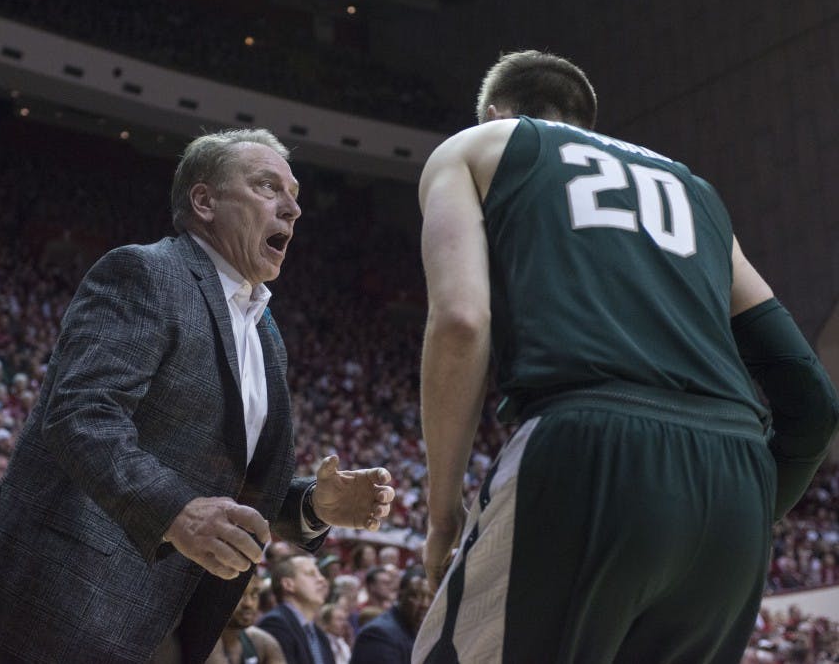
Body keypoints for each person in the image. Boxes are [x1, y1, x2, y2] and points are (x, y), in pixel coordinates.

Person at [412, 50, 839, 663]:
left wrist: (442, 516)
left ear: (496, 112)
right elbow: (813, 402)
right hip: (735, 485)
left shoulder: (478, 145)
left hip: (593, 445)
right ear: (584, 120)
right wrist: (740, 510)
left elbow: (460, 321)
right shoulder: (698, 193)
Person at [0, 128, 395, 664]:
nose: (292, 210)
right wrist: (178, 514)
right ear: (204, 201)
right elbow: (81, 415)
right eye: (268, 188)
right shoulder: (146, 272)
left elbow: (219, 485)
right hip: (65, 602)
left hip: (166, 620)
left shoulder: (264, 328)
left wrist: (312, 504)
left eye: (295, 195)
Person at [258, 555, 334, 664]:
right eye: (311, 574)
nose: (321, 579)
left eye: (320, 574)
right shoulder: (275, 624)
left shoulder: (320, 635)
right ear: (288, 584)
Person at [350, 566, 431, 664]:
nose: (425, 604)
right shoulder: (378, 634)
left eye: (431, 597)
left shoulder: (422, 631)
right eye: (416, 596)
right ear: (399, 596)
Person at [205, 574, 285, 664]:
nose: (248, 603)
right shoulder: (199, 639)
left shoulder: (264, 642)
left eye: (254, 594)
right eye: (238, 594)